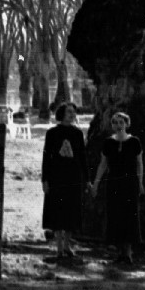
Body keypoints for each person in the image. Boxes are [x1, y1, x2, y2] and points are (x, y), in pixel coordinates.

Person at [90, 110, 143, 265]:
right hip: (113, 183)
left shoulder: (134, 142)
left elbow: (139, 164)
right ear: (112, 125)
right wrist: (96, 183)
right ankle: (120, 252)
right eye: (115, 122)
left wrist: (140, 183)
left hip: (130, 183)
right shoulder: (108, 143)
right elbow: (103, 164)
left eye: (121, 122)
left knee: (129, 216)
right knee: (116, 215)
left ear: (126, 124)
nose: (118, 125)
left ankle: (128, 253)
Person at [41, 103, 87, 260]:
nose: (71, 114)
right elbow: (46, 157)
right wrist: (44, 179)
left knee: (71, 212)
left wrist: (86, 179)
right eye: (68, 112)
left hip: (74, 176)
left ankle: (67, 246)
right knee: (57, 211)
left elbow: (82, 158)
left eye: (73, 112)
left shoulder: (78, 133)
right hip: (56, 176)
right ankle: (59, 247)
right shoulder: (52, 133)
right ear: (62, 114)